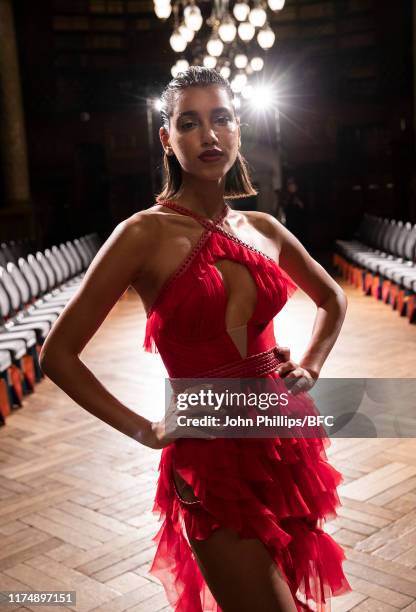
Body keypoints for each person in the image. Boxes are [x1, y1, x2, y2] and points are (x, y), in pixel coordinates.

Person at [39, 67, 352, 611]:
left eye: (221, 118)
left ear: (238, 128)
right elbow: (58, 354)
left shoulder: (264, 228)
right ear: (168, 138)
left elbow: (333, 298)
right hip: (209, 454)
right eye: (190, 122)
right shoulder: (142, 234)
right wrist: (146, 428)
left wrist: (310, 365)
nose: (209, 135)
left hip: (281, 436)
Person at [282, 177, 308, 246]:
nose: (291, 187)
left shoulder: (300, 194)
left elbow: (303, 207)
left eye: (292, 185)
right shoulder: (287, 196)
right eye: (289, 186)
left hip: (298, 221)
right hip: (290, 220)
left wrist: (299, 203)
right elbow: (284, 208)